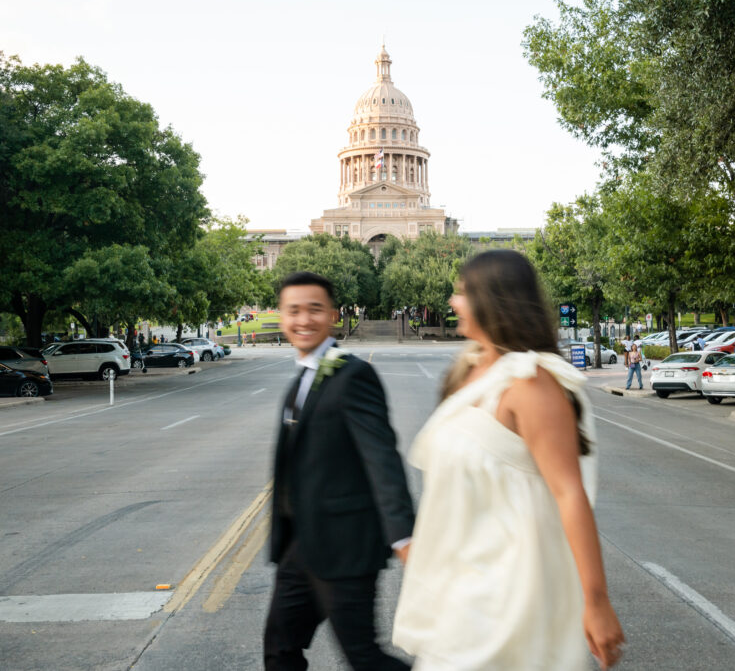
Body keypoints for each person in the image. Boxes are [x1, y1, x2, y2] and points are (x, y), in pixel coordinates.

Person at [393, 250, 625, 670]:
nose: (452, 302)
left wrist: (596, 601)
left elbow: (568, 493)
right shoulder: (467, 372)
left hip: (513, 587)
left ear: (494, 300)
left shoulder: (530, 383)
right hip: (463, 584)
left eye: (463, 292)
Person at [265, 271, 415, 671]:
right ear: (281, 317)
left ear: (333, 315)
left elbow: (381, 455)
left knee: (364, 658)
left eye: (314, 310)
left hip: (345, 546)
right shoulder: (302, 377)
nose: (303, 320)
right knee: (280, 649)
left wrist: (403, 534)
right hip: (301, 548)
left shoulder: (352, 374)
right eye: (293, 311)